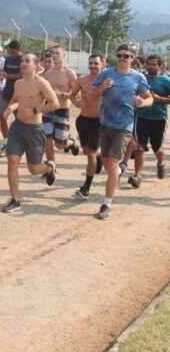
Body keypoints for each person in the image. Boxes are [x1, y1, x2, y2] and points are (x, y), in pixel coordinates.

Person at [92, 44, 152, 220]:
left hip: (124, 126)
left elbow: (150, 99)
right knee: (108, 163)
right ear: (115, 57)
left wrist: (142, 102)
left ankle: (106, 204)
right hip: (105, 124)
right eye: (120, 55)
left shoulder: (138, 77)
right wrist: (102, 88)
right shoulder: (106, 74)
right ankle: (119, 171)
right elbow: (92, 94)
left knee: (111, 163)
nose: (122, 58)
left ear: (133, 58)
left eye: (126, 56)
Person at [1, 53, 60, 213]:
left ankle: (48, 169)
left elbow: (55, 103)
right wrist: (9, 108)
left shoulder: (42, 83)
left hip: (34, 130)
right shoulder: (18, 83)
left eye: (27, 61)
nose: (23, 63)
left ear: (35, 65)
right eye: (22, 61)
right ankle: (15, 200)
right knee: (12, 160)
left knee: (33, 169)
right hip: (18, 128)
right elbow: (16, 101)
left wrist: (34, 110)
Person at [128, 54, 170, 187]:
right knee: (140, 147)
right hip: (142, 117)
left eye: (154, 64)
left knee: (157, 147)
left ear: (160, 65)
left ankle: (160, 162)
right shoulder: (141, 78)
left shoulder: (166, 81)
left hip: (159, 118)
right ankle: (137, 175)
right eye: (149, 64)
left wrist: (158, 99)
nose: (151, 66)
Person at [70, 54, 104, 199]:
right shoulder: (82, 79)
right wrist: (76, 103)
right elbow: (72, 95)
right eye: (90, 63)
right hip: (83, 120)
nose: (93, 66)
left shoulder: (107, 81)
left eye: (96, 63)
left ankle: (86, 187)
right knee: (87, 152)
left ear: (103, 63)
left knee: (90, 156)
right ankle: (99, 157)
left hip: (99, 122)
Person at [41, 46, 79, 163]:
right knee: (47, 139)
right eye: (53, 53)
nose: (54, 55)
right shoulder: (47, 74)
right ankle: (51, 166)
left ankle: (71, 142)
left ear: (64, 55)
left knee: (59, 144)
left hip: (62, 109)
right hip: (48, 109)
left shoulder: (69, 73)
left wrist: (62, 94)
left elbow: (75, 93)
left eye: (57, 53)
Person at [0, 40, 23, 157]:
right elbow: (5, 73)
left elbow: (23, 75)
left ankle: (19, 143)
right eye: (10, 52)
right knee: (2, 116)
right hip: (7, 92)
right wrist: (2, 76)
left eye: (13, 52)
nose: (11, 54)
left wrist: (9, 76)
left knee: (20, 120)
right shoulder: (8, 59)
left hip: (19, 94)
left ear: (18, 50)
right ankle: (6, 142)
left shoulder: (23, 59)